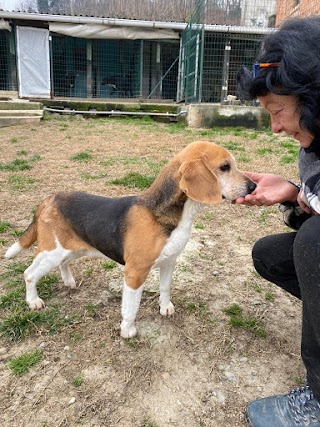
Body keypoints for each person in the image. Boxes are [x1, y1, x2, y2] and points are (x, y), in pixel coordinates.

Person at [235, 15, 320, 427]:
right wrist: (292, 192)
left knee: (314, 245)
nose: (275, 127)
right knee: (271, 255)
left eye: (279, 110)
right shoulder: (313, 149)